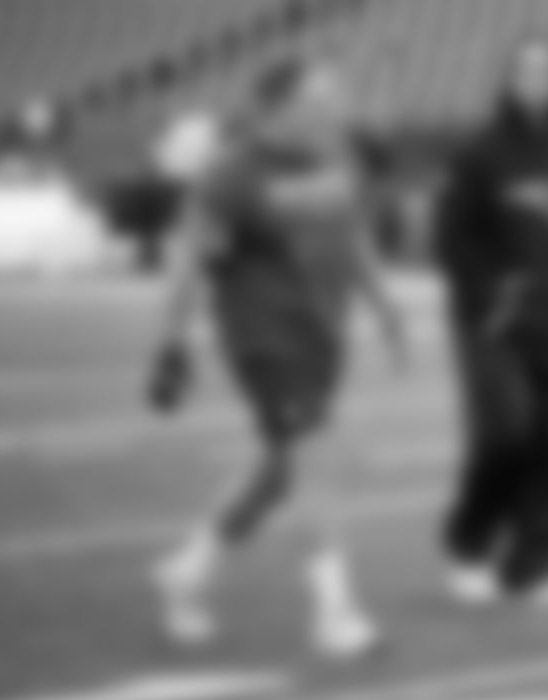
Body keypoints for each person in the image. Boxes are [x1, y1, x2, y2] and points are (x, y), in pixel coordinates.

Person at [145, 58, 407, 659]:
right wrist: (170, 343)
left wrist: (386, 307)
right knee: (317, 462)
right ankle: (334, 614)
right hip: (265, 340)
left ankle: (187, 573)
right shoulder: (230, 175)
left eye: (337, 96)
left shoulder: (338, 157)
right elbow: (189, 262)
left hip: (322, 337)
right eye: (321, 98)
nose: (336, 108)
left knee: (280, 472)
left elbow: (353, 237)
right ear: (277, 107)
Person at [434, 41, 548, 611]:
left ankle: (534, 565)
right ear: (506, 80)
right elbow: (450, 239)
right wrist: (488, 297)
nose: (536, 79)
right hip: (489, 321)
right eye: (524, 69)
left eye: (547, 71)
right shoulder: (478, 154)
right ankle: (469, 543)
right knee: (505, 431)